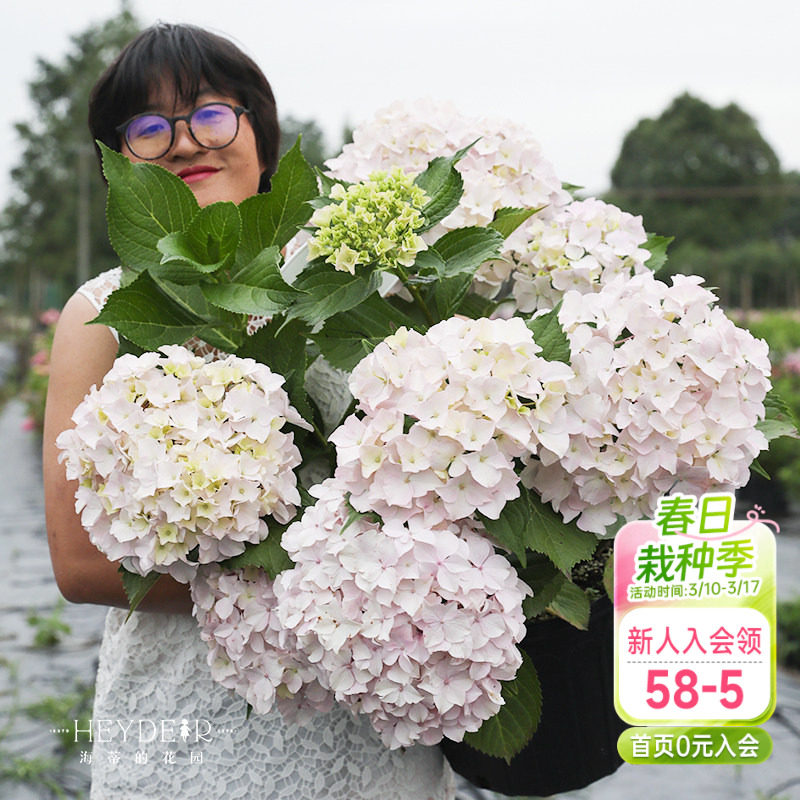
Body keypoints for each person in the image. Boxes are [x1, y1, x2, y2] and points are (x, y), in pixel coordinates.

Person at [42, 23, 455, 800]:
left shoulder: (355, 287)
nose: (182, 142)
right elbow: (79, 564)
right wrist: (313, 578)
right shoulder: (103, 313)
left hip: (364, 703)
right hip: (183, 733)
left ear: (259, 136)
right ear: (119, 162)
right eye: (147, 126)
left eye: (209, 113)